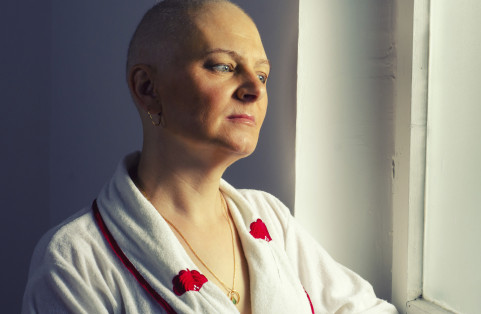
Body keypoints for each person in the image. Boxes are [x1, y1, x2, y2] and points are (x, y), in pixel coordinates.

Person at [21, 0, 398, 313]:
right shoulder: (74, 262)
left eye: (263, 76)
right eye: (224, 67)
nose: (254, 88)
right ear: (148, 88)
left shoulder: (269, 218)